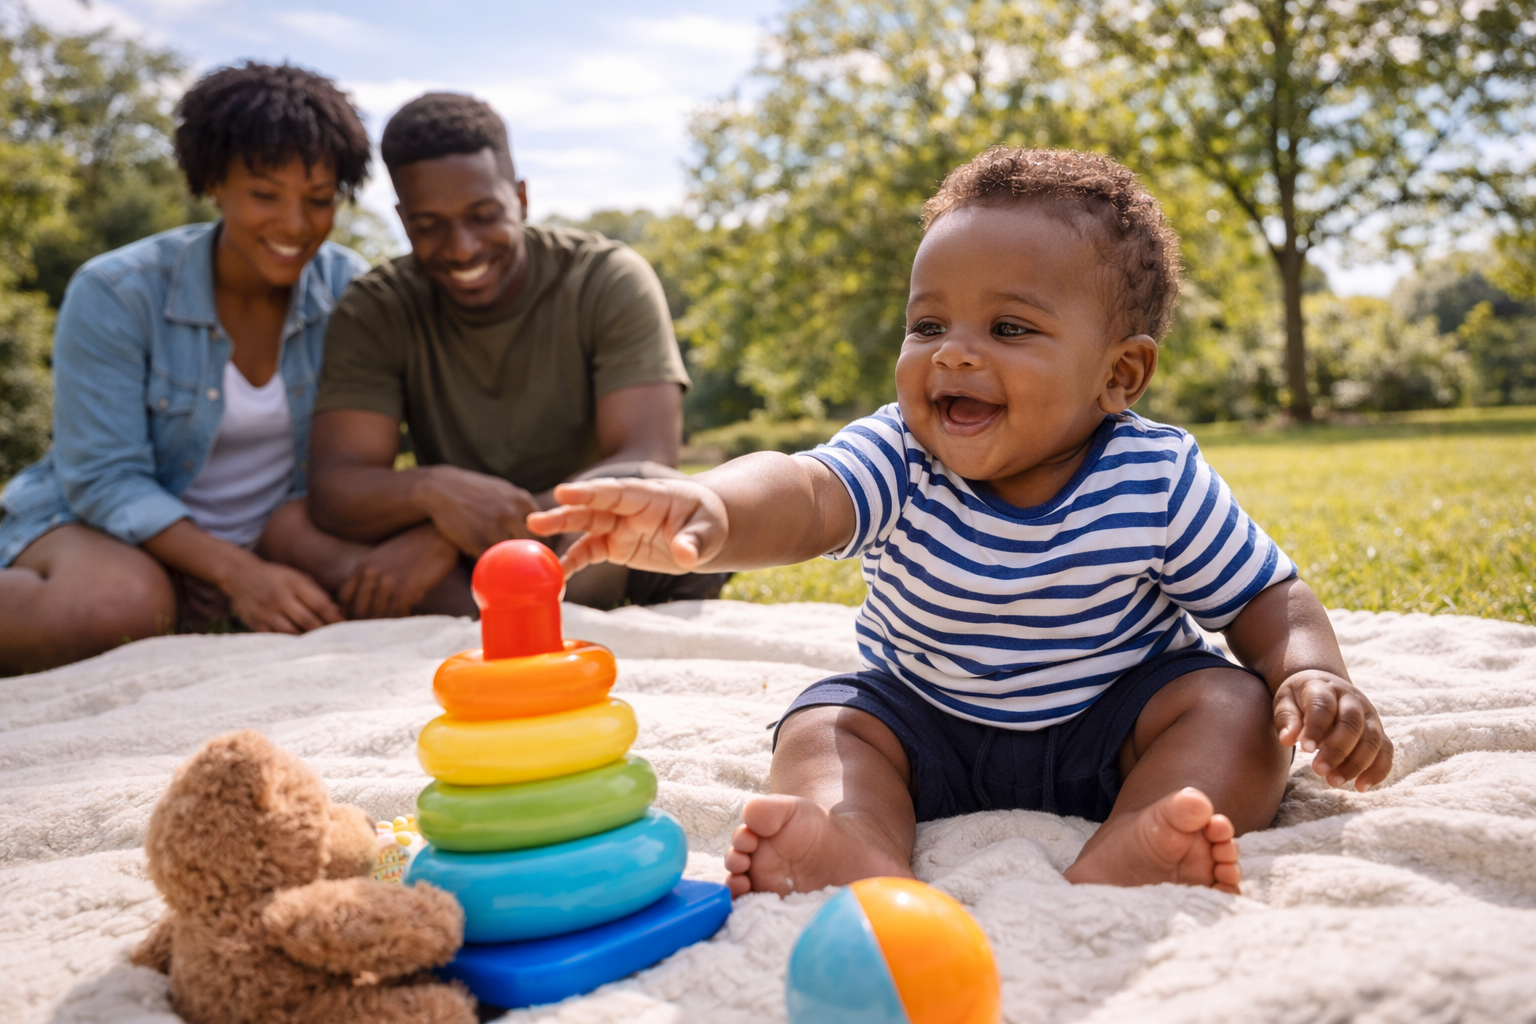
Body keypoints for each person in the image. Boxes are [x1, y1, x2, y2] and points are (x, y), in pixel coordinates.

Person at [527, 148, 1395, 897]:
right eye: (928, 323)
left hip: (1112, 726)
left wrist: (1313, 673)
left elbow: (1266, 597)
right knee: (826, 723)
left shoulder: (1156, 477)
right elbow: (806, 491)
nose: (954, 352)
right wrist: (711, 506)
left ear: (1121, 375)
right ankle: (859, 843)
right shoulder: (901, 452)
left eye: (1009, 326)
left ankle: (1145, 834)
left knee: (1234, 708)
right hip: (922, 722)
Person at [0, 63, 374, 675]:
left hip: (277, 538)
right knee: (122, 604)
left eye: (318, 200)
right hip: (100, 531)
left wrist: (254, 562)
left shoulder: (351, 291)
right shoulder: (118, 292)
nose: (295, 226)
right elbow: (102, 478)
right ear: (212, 184)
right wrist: (232, 570)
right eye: (264, 196)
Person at [295, 92, 726, 617]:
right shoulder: (377, 306)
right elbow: (337, 488)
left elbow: (647, 458)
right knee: (287, 528)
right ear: (403, 221)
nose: (462, 248)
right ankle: (505, 609)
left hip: (586, 541)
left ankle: (480, 609)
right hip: (464, 550)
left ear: (520, 198)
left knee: (646, 491)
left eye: (483, 215)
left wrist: (449, 538)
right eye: (430, 225)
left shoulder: (606, 278)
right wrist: (433, 491)